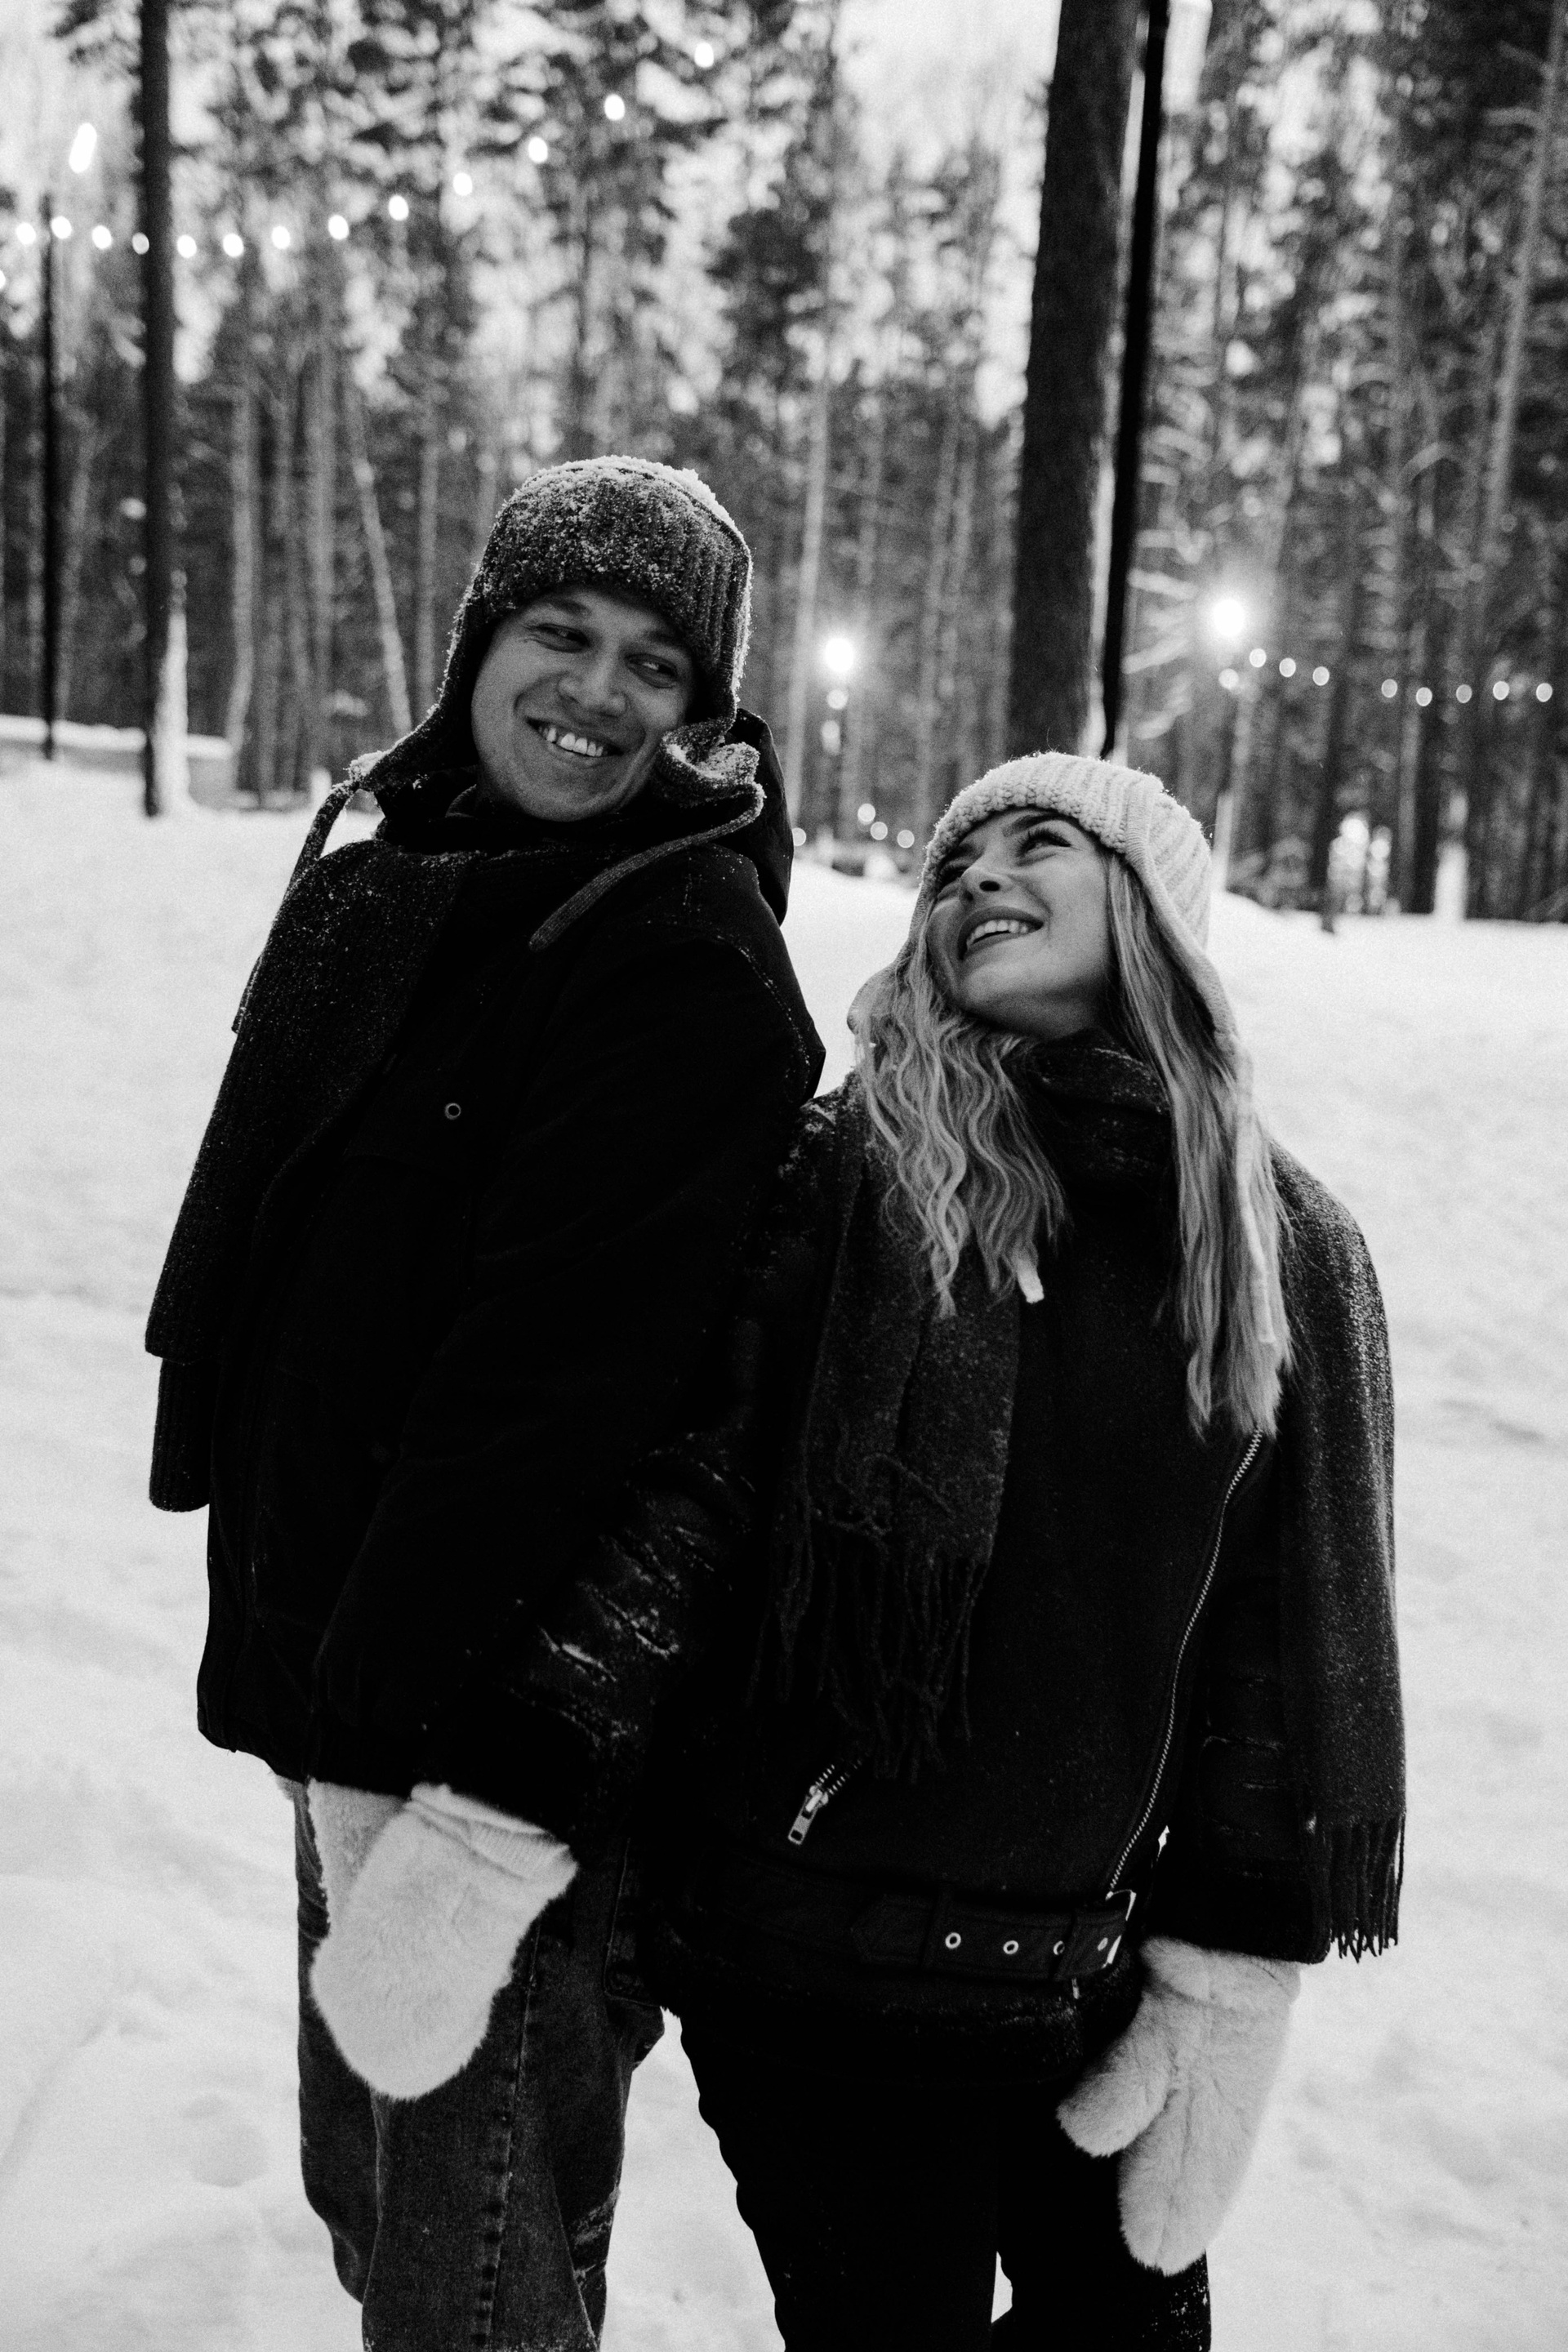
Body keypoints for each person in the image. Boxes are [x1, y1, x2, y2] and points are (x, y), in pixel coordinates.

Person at [492, 751, 1405, 2349]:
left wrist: (1227, 1970)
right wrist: (500, 1791)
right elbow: (694, 1499)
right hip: (811, 1961)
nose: (979, 877)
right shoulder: (845, 1169)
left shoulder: (1275, 1246)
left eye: (1038, 845)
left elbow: (1267, 1648)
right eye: (955, 866)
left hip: (1085, 1975)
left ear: (1150, 910)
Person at [144, 457, 823, 2350]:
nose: (595, 691)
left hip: (502, 1752)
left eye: (655, 665)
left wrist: (392, 1735)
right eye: (560, 631)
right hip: (353, 1679)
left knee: (477, 2277)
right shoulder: (403, 881)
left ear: (705, 712)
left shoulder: (679, 954)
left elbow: (558, 1400)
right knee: (381, 2208)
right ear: (477, 644)